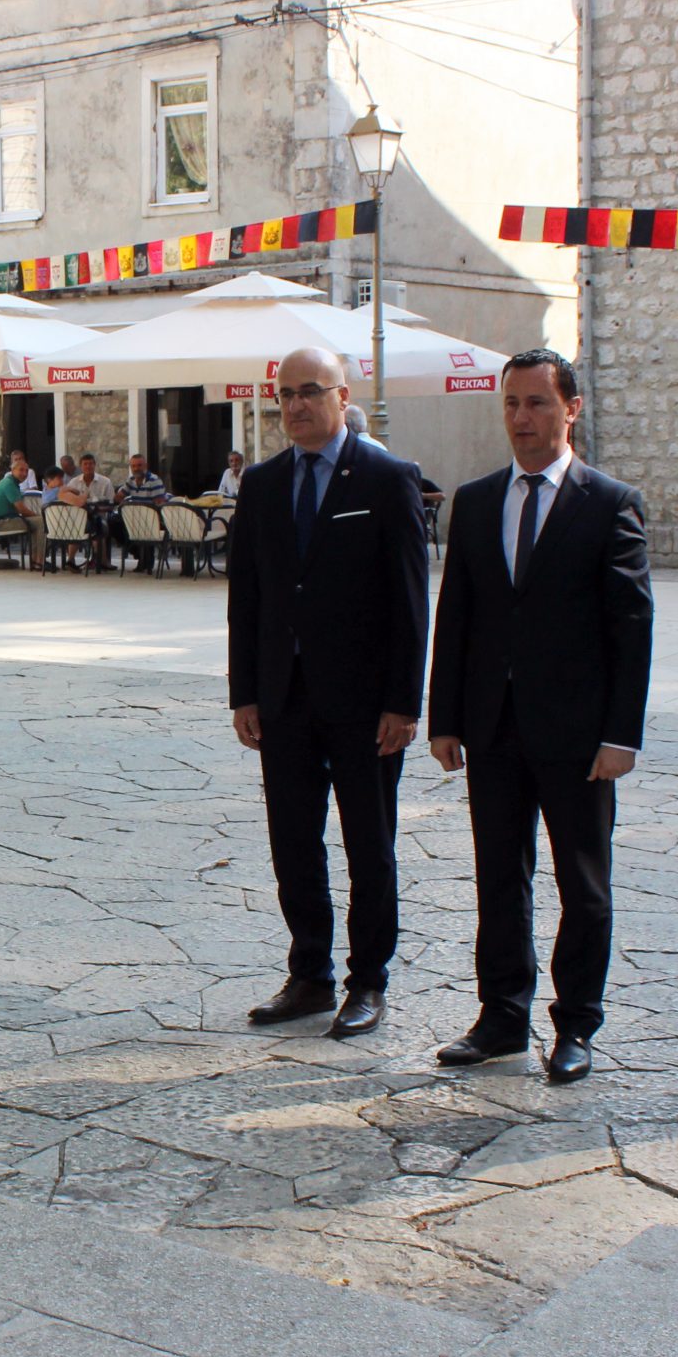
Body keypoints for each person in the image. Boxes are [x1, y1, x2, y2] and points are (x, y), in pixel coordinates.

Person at [429, 349, 654, 1086]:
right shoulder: (478, 498)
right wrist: (447, 717)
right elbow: (457, 614)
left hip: (578, 733)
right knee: (500, 876)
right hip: (493, 725)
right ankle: (502, 1017)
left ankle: (577, 1024)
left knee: (582, 883)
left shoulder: (609, 501)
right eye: (512, 405)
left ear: (571, 410)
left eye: (538, 404)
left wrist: (621, 734)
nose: (523, 419)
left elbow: (631, 626)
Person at [230, 346, 430, 1040]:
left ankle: (368, 979)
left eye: (309, 391)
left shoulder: (387, 477)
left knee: (368, 842)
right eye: (283, 394)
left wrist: (405, 702)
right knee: (293, 839)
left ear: (344, 396)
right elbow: (246, 598)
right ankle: (309, 971)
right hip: (284, 699)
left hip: (365, 703)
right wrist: (245, 693)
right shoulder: (262, 485)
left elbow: (410, 601)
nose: (294, 406)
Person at [0, 451, 45, 569]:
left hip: (2, 520)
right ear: (13, 471)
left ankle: (36, 560)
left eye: (26, 471)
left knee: (37, 523)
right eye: (21, 470)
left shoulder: (11, 483)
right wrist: (36, 514)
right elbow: (21, 509)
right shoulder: (9, 484)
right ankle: (39, 561)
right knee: (41, 522)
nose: (24, 473)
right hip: (1, 523)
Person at [116, 451, 172, 571]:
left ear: (145, 466)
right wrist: (123, 503)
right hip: (135, 519)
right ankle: (138, 553)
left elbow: (159, 503)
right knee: (113, 523)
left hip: (153, 519)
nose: (136, 468)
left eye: (139, 465)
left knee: (143, 526)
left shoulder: (154, 480)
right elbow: (119, 496)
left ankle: (145, 561)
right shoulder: (131, 480)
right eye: (134, 466)